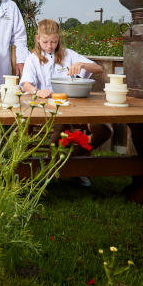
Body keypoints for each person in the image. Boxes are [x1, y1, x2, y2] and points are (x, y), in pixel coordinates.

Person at [20, 18, 112, 186]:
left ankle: (67, 162)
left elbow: (98, 69)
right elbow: (26, 84)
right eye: (45, 41)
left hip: (76, 107)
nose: (50, 46)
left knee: (105, 129)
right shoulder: (32, 59)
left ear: (59, 39)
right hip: (47, 108)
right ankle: (56, 165)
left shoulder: (69, 55)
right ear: (37, 39)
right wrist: (37, 91)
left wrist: (82, 64)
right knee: (62, 125)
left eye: (54, 41)